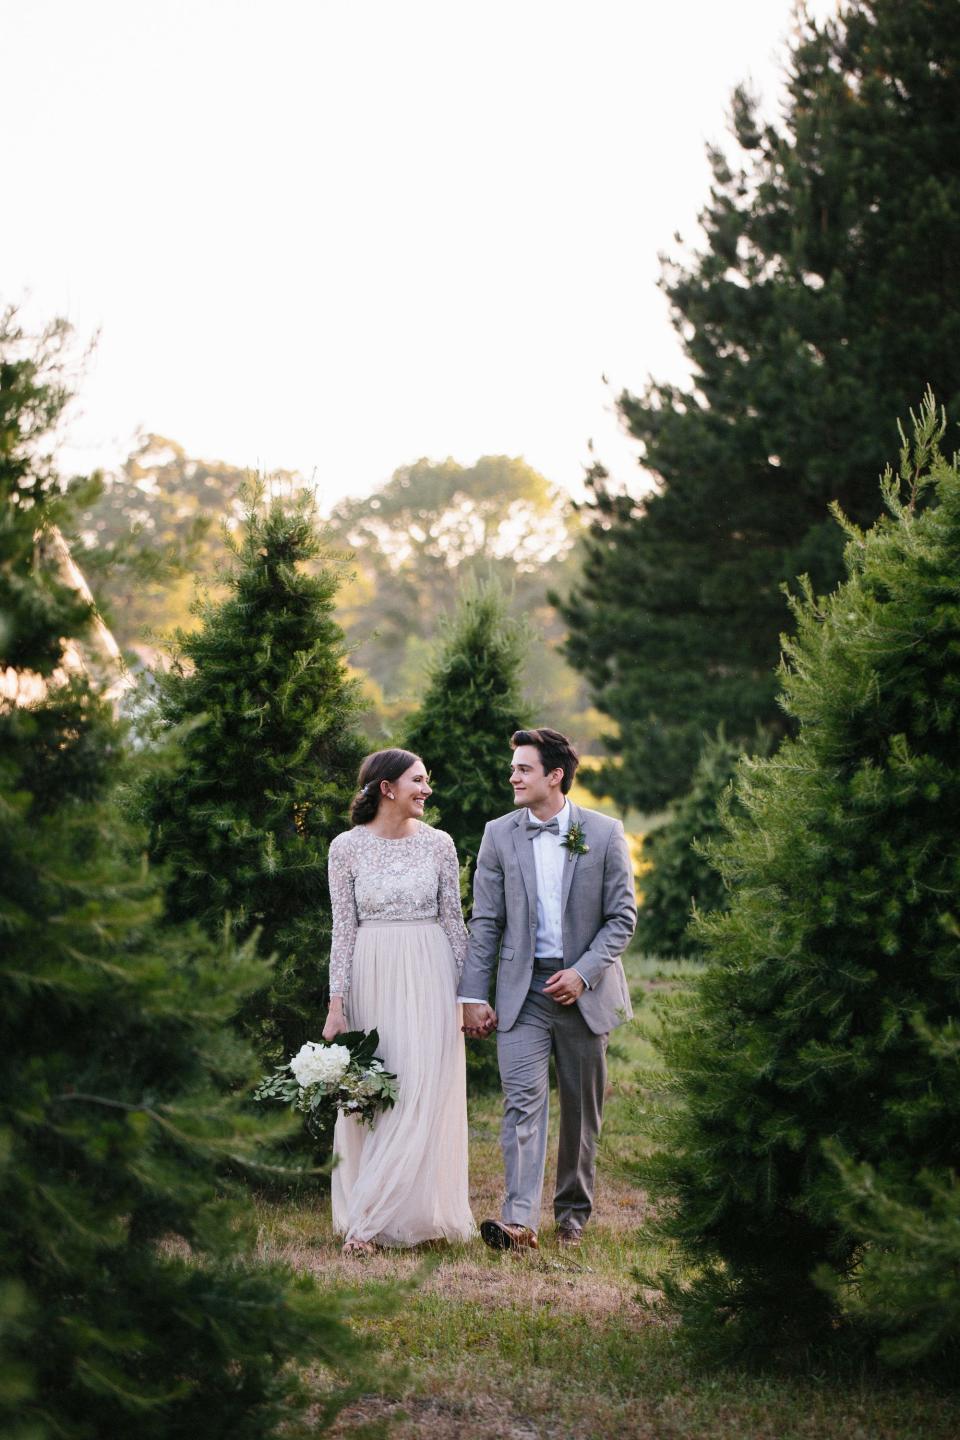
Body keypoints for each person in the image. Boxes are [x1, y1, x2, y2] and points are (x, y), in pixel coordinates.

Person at [459, 727, 636, 1251]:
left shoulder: (603, 833)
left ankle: (572, 1217)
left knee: (581, 1110)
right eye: (513, 768)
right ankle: (519, 1223)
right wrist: (472, 994)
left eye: (523, 768)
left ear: (554, 776)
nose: (512, 776)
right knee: (521, 1102)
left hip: (586, 988)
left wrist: (582, 973)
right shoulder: (498, 834)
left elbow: (622, 918)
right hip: (523, 991)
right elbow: (486, 920)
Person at [322, 748, 477, 1255]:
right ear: (386, 788)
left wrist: (469, 995)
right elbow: (342, 930)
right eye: (418, 780)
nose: (427, 789)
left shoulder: (440, 844)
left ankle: (371, 1221)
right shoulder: (345, 848)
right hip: (373, 973)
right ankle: (370, 1210)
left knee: (419, 1091)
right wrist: (336, 1002)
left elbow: (455, 923)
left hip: (430, 974)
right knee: (377, 1096)